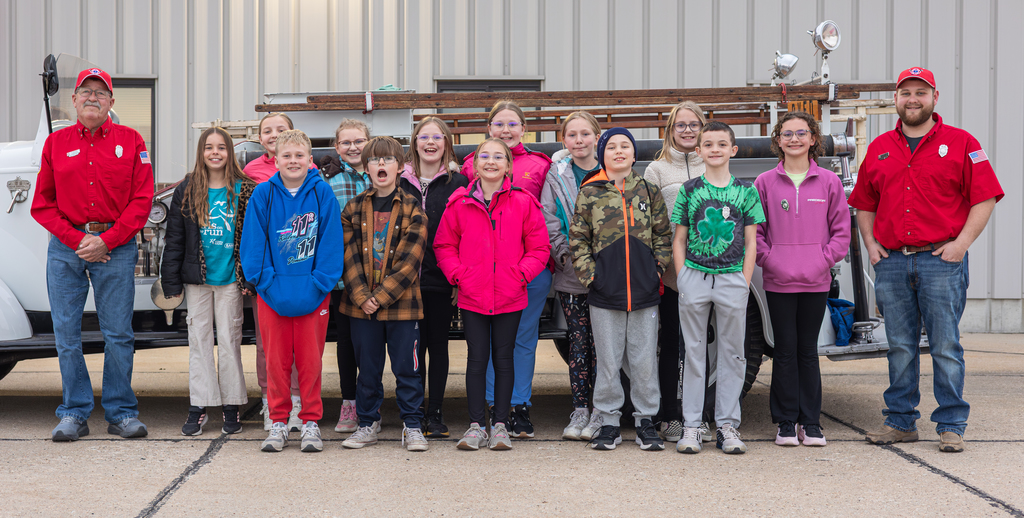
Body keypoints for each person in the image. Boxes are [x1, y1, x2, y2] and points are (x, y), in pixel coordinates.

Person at [849, 67, 1003, 453]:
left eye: (920, 92)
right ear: (896, 99)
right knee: (899, 346)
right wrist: (870, 245)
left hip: (941, 260)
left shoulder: (962, 142)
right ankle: (900, 422)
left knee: (945, 345)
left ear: (935, 96)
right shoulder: (881, 147)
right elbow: (864, 203)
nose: (912, 99)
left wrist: (961, 244)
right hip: (893, 263)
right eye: (905, 93)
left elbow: (984, 197)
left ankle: (951, 423)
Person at [33, 67, 154, 441]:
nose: (92, 97)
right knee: (66, 333)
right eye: (85, 90)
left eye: (101, 93)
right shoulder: (55, 143)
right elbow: (42, 204)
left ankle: (120, 413)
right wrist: (77, 241)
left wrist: (108, 240)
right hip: (66, 250)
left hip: (114, 248)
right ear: (73, 99)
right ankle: (73, 412)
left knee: (118, 333)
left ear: (112, 102)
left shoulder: (132, 141)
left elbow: (142, 199)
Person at [435, 138, 550, 451]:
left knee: (504, 359)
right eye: (484, 156)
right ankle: (476, 426)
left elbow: (539, 247)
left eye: (498, 157)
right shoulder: (459, 203)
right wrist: (460, 276)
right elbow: (444, 245)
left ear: (508, 165)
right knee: (476, 359)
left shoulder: (524, 202)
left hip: (511, 294)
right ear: (474, 164)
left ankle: (500, 424)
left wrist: (520, 274)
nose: (491, 162)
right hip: (473, 294)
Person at [240, 129, 344, 453]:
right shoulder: (263, 194)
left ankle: (311, 422)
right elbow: (254, 245)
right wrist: (266, 283)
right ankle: (279, 422)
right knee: (276, 362)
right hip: (273, 295)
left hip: (313, 295)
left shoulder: (322, 194)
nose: (294, 161)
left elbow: (330, 244)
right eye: (287, 156)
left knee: (311, 362)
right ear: (276, 160)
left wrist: (319, 284)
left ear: (310, 160)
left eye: (300, 155)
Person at [569, 127, 672, 451]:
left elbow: (663, 236)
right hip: (605, 294)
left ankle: (645, 420)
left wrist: (655, 271)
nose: (618, 151)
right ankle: (609, 421)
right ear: (603, 154)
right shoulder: (591, 192)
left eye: (624, 145)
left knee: (643, 360)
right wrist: (592, 278)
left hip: (643, 293)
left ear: (633, 152)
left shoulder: (649, 190)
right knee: (609, 360)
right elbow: (578, 240)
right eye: (611, 146)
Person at [754, 112, 851, 447]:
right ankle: (784, 422)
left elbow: (841, 233)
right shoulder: (764, 182)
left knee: (807, 350)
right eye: (787, 133)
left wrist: (822, 261)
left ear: (814, 139)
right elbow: (757, 233)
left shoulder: (829, 182)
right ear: (778, 140)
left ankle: (810, 423)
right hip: (778, 280)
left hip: (815, 280)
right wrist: (769, 260)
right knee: (784, 350)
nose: (794, 139)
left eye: (801, 133)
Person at [460, 100, 552, 438]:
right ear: (488, 129)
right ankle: (490, 407)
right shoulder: (472, 164)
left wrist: (525, 270)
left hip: (525, 270)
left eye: (513, 124)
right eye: (499, 124)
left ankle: (518, 407)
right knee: (485, 346)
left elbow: (547, 217)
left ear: (524, 129)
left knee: (521, 341)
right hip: (483, 272)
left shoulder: (540, 166)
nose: (506, 130)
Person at [672, 121, 765, 455]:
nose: (714, 149)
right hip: (695, 277)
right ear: (698, 151)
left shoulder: (745, 192)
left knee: (733, 354)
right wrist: (683, 277)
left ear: (732, 150)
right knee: (695, 354)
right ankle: (692, 427)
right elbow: (679, 238)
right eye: (708, 144)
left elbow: (752, 242)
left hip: (731, 280)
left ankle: (727, 426)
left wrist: (743, 280)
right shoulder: (690, 189)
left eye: (721, 144)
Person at [161, 127, 256, 436]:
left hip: (230, 280)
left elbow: (256, 239)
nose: (215, 152)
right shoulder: (187, 189)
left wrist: (251, 277)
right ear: (201, 152)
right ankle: (199, 405)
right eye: (209, 147)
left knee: (230, 342)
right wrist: (170, 281)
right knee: (199, 342)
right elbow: (174, 238)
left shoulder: (245, 189)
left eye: (222, 147)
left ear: (230, 152)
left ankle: (231, 405)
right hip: (197, 280)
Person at [338, 137, 429, 452]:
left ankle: (413, 425)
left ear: (400, 167)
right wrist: (363, 296)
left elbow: (410, 260)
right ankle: (366, 424)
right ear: (366, 168)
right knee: (368, 370)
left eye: (387, 160)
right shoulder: (352, 208)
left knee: (408, 368)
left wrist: (380, 295)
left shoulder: (412, 207)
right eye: (374, 161)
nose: (381, 165)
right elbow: (347, 256)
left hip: (402, 306)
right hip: (361, 307)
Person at [642, 101, 709, 444]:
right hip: (671, 272)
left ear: (702, 127)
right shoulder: (656, 170)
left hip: (711, 269)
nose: (687, 130)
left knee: (701, 343)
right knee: (670, 342)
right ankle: (670, 416)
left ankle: (700, 415)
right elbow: (650, 223)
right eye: (680, 125)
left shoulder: (712, 161)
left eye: (693, 124)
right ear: (670, 130)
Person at [399, 117, 468, 438]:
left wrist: (458, 278)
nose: (430, 142)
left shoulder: (459, 182)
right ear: (414, 142)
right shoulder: (399, 182)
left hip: (441, 279)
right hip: (405, 281)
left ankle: (436, 412)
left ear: (446, 143)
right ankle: (414, 412)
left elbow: (465, 234)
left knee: (438, 346)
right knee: (413, 347)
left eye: (436, 137)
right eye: (423, 137)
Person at [539, 111, 602, 440]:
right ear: (564, 141)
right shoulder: (556, 175)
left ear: (596, 137)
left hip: (608, 276)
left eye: (585, 134)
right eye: (572, 135)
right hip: (571, 273)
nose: (579, 141)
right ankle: (580, 409)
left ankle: (602, 410)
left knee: (604, 346)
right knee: (578, 344)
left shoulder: (609, 171)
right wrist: (565, 254)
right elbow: (548, 217)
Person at [244, 112, 305, 432]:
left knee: (299, 344)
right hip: (267, 273)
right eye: (267, 130)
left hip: (298, 271)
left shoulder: (306, 171)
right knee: (267, 344)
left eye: (281, 129)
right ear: (260, 138)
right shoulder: (251, 173)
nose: (274, 134)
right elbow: (246, 225)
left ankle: (297, 402)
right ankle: (271, 401)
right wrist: (253, 274)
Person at [319, 118, 371, 434]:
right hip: (344, 278)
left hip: (379, 276)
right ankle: (350, 404)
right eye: (346, 143)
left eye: (359, 141)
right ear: (337, 148)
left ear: (369, 142)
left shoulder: (380, 177)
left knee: (375, 344)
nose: (353, 147)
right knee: (348, 343)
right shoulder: (329, 184)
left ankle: (371, 403)